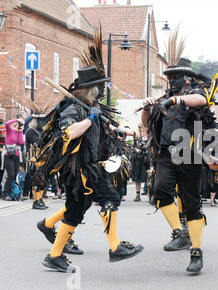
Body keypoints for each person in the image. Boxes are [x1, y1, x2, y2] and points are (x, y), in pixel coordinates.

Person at [36, 28, 143, 272]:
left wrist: (117, 129)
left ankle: (54, 255)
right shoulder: (72, 109)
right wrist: (90, 120)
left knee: (75, 213)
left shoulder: (90, 107)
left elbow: (101, 128)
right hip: (82, 169)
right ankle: (115, 247)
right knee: (110, 198)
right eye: (101, 86)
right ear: (91, 88)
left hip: (87, 167)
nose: (104, 90)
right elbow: (69, 133)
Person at [142, 58, 218, 274]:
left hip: (190, 155)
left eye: (176, 77)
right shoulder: (165, 98)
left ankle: (196, 252)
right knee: (159, 191)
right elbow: (147, 125)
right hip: (166, 154)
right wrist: (147, 108)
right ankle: (180, 233)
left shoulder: (195, 95)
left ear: (187, 79)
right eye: (169, 78)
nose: (171, 82)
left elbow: (203, 99)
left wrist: (176, 101)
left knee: (192, 205)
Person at [1, 113, 25, 200]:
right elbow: (7, 123)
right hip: (8, 155)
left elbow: (22, 142)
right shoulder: (9, 130)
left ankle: (11, 192)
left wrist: (21, 130)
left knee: (14, 175)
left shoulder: (19, 133)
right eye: (18, 124)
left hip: (16, 155)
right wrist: (17, 120)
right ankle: (5, 193)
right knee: (10, 175)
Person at [131, 124, 150, 202]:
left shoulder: (149, 136)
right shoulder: (137, 137)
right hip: (137, 159)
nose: (142, 128)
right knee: (137, 177)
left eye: (143, 127)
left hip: (146, 159)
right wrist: (136, 150)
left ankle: (150, 196)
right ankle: (137, 195)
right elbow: (133, 147)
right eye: (140, 127)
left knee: (149, 177)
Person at [0, 107, 6, 197]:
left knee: (2, 172)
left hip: (4, 151)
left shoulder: (4, 124)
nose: (3, 115)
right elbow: (4, 136)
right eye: (1, 113)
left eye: (4, 113)